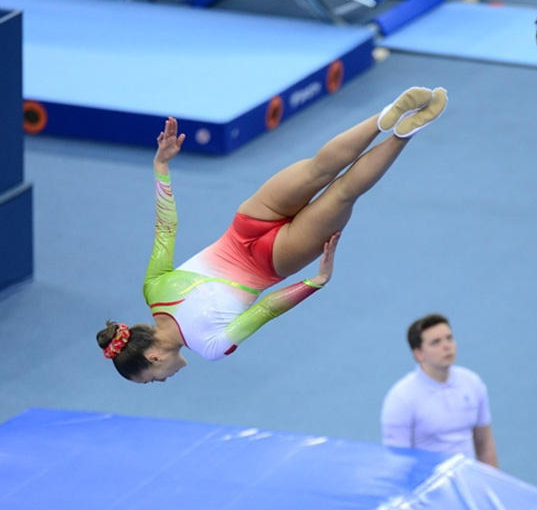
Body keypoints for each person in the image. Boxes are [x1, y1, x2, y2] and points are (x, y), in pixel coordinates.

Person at [97, 86, 447, 383]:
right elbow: (166, 227)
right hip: (248, 222)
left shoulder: (211, 346)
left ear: (154, 357)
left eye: (154, 380)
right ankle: (382, 117)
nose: (165, 379)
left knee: (343, 192)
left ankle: (404, 131)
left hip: (274, 259)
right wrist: (161, 166)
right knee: (318, 168)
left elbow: (266, 309)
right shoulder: (153, 290)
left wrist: (316, 282)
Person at [381, 313, 498, 466]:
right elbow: (396, 463)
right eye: (436, 342)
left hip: (467, 484)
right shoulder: (401, 398)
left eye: (449, 338)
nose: (447, 346)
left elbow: (485, 446)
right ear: (419, 354)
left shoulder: (472, 383)